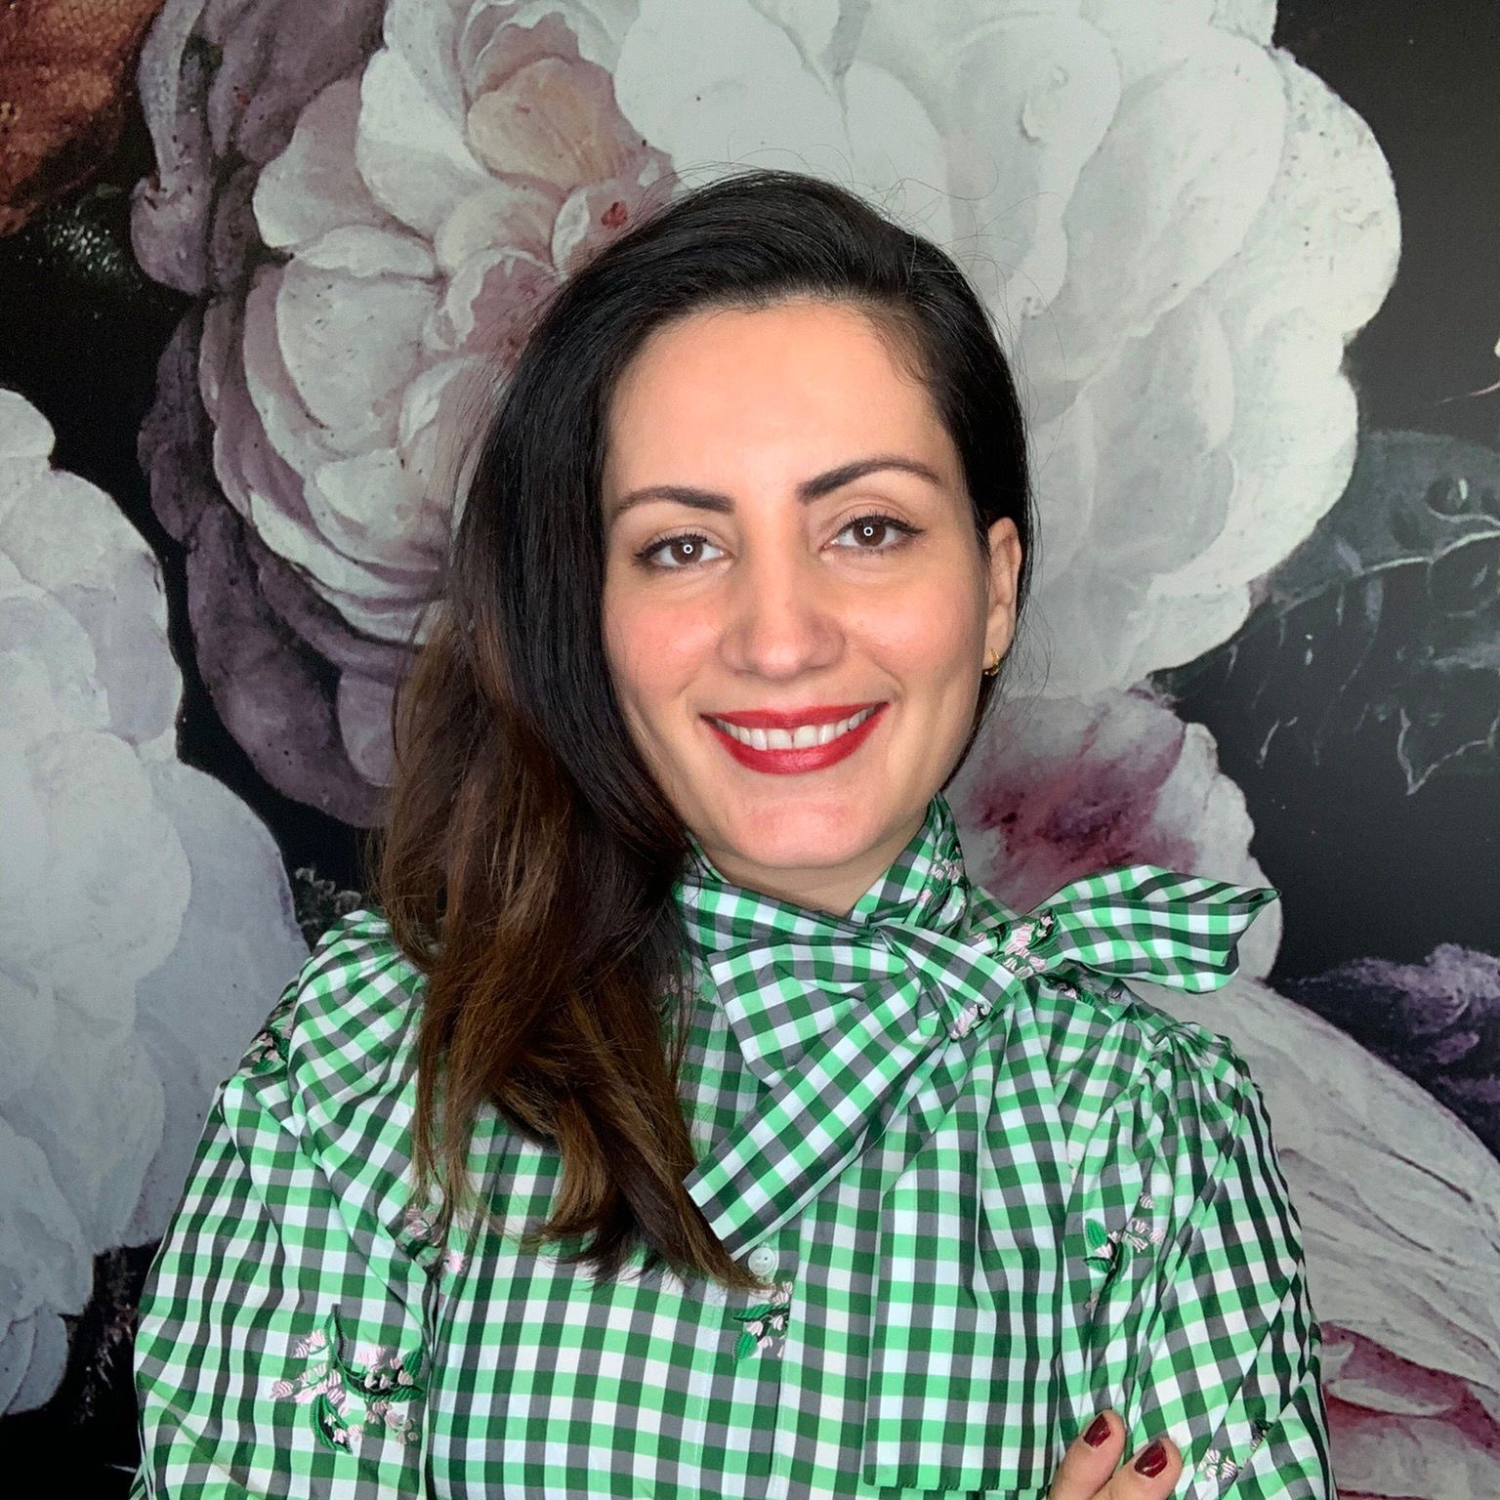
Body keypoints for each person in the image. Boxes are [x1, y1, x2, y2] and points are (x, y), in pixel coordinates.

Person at [130, 169, 1334, 1499]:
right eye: (684, 547)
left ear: (993, 592)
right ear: (591, 613)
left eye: (867, 529)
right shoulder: (377, 1057)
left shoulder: (1158, 1131)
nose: (780, 636)